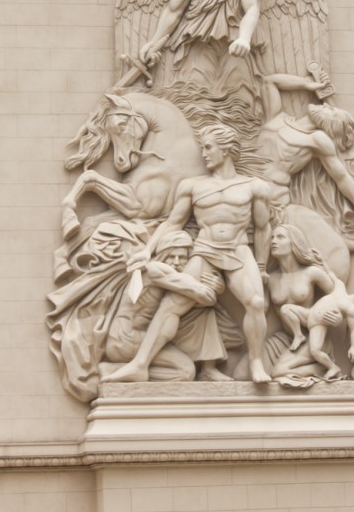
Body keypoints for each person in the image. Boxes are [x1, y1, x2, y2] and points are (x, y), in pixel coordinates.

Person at [102, 124, 273, 385]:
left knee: (257, 303)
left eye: (208, 147)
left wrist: (260, 266)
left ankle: (256, 362)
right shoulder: (193, 186)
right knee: (172, 305)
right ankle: (140, 364)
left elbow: (263, 228)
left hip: (238, 251)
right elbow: (173, 222)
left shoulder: (255, 187)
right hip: (205, 250)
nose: (204, 154)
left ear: (226, 149)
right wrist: (147, 251)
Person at [101, 231, 231, 382]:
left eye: (182, 258)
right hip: (125, 339)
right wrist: (212, 288)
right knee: (175, 313)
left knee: (185, 373)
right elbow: (204, 296)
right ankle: (136, 367)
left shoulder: (170, 282)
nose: (176, 262)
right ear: (162, 256)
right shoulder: (154, 269)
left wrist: (218, 287)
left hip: (140, 339)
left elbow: (200, 300)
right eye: (171, 256)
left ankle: (113, 370)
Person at [259, 72, 354, 227]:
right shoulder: (277, 117)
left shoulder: (317, 139)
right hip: (247, 185)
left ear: (332, 124)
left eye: (332, 111)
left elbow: (341, 176)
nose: (326, 105)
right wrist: (306, 83)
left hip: (273, 198)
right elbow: (269, 81)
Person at [267, 224, 335, 350]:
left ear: (294, 242)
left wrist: (337, 317)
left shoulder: (311, 273)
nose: (273, 241)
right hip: (284, 338)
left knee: (284, 365)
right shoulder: (271, 279)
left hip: (312, 338)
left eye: (280, 237)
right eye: (272, 238)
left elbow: (337, 295)